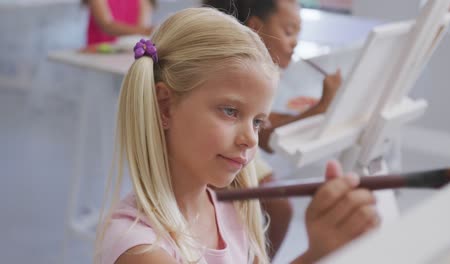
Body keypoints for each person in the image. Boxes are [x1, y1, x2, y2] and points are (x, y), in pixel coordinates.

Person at [95, 7, 379, 264]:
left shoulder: (231, 209)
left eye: (257, 122)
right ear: (165, 106)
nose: (252, 139)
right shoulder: (143, 250)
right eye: (230, 111)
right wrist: (316, 254)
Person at [203, 0, 342, 257]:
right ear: (255, 28)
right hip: (221, 150)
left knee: (274, 207)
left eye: (298, 32)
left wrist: (319, 108)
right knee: (278, 206)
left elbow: (266, 122)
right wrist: (321, 107)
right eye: (289, 31)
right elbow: (265, 135)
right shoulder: (240, 68)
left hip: (238, 151)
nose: (295, 42)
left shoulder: (262, 71)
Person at [82, 0, 157, 46]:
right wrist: (147, 31)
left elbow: (142, 28)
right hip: (97, 53)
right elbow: (106, 25)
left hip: (127, 53)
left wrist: (147, 31)